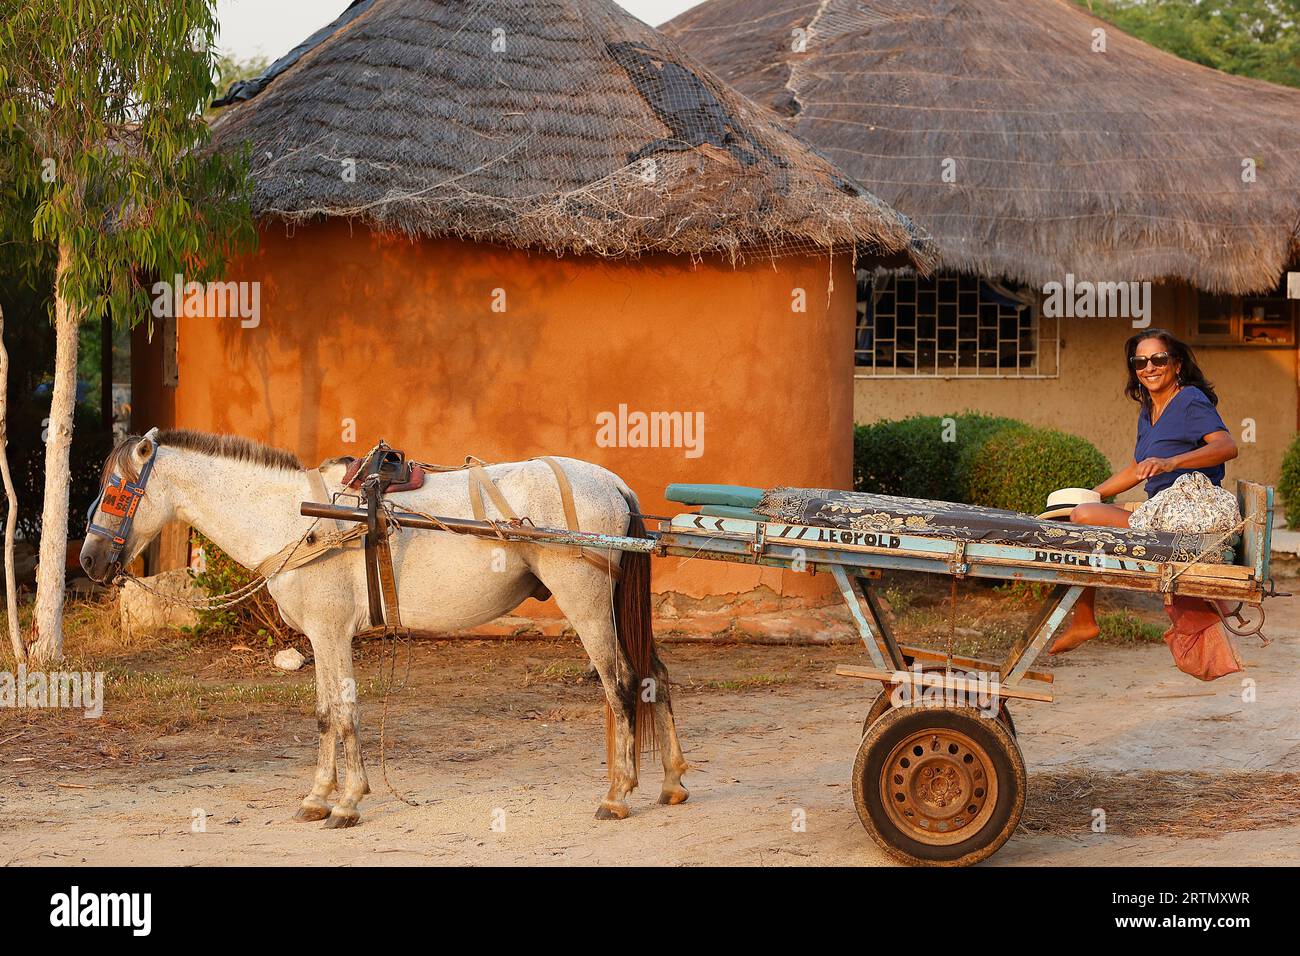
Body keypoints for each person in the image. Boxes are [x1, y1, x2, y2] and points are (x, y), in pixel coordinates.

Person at [1049, 329, 1238, 653]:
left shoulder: (1190, 399)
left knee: (1083, 517)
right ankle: (1083, 621)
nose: (1149, 367)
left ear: (1176, 364)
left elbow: (1227, 446)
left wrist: (1172, 461)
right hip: (1163, 507)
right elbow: (1139, 469)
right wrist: (1091, 493)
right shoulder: (1148, 411)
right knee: (1077, 513)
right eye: (1140, 362)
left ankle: (1084, 622)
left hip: (1192, 507)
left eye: (1158, 359)